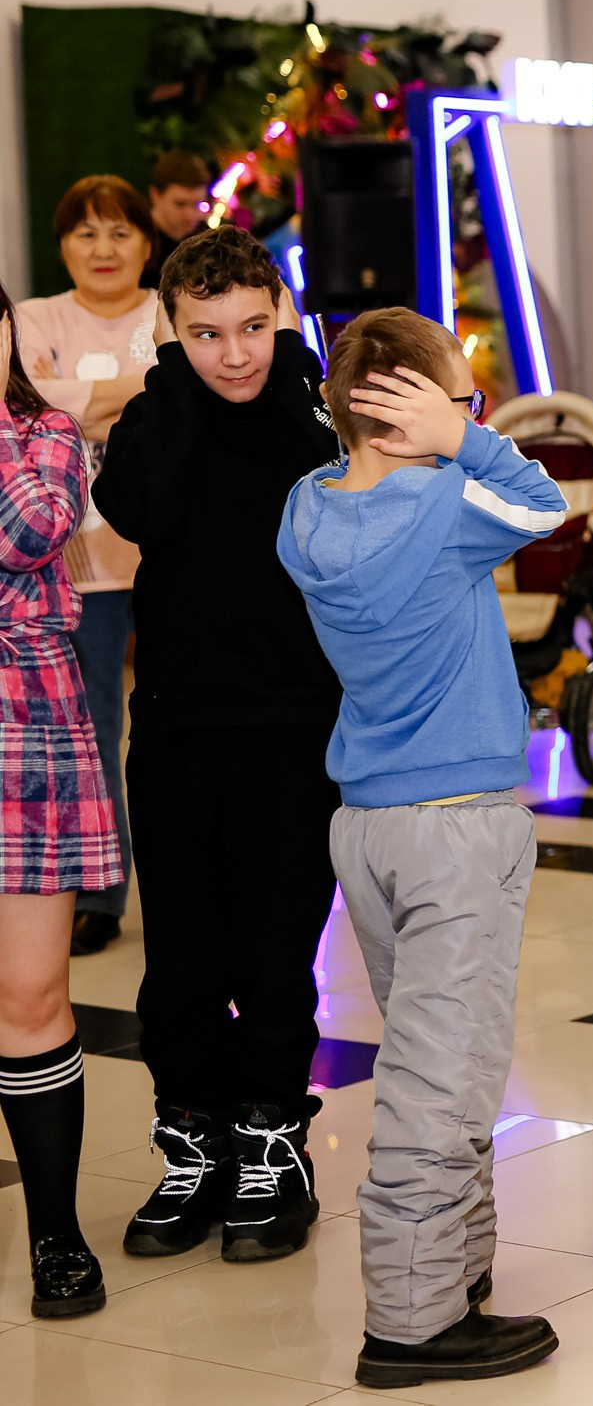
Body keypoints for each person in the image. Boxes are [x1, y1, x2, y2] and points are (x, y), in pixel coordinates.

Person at [276, 308, 568, 1389]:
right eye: (461, 402)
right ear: (405, 417)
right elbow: (545, 503)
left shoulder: (304, 512)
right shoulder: (451, 503)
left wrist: (431, 432)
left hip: (368, 826)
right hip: (458, 827)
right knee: (436, 1083)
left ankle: (454, 1273)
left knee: (432, 1055)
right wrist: (458, 445)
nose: (475, 419)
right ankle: (410, 1322)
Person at [93, 230, 343, 1264]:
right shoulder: (160, 418)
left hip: (297, 721)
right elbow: (134, 510)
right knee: (184, 959)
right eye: (205, 334)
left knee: (278, 950)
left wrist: (299, 387)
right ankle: (192, 1136)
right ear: (172, 328)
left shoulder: (318, 412)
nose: (234, 353)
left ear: (278, 311)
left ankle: (273, 1142)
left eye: (252, 327)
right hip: (182, 724)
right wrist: (173, 395)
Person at [0, 280, 124, 1320]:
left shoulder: (46, 431)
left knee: (33, 995)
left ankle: (56, 1236)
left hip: (25, 723)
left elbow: (37, 530)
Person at [18, 175, 172, 955]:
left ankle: (188, 885)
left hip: (178, 553)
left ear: (149, 241)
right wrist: (148, 386)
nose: (104, 249)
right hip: (79, 566)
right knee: (92, 731)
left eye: (120, 232)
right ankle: (101, 896)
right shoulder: (34, 316)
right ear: (62, 246)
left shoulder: (174, 308)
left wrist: (85, 395)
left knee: (179, 728)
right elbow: (36, 401)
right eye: (86, 233)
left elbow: (66, 403)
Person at [144, 150, 212, 286]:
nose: (190, 215)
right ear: (155, 196)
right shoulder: (138, 244)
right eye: (180, 204)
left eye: (198, 204)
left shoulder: (208, 242)